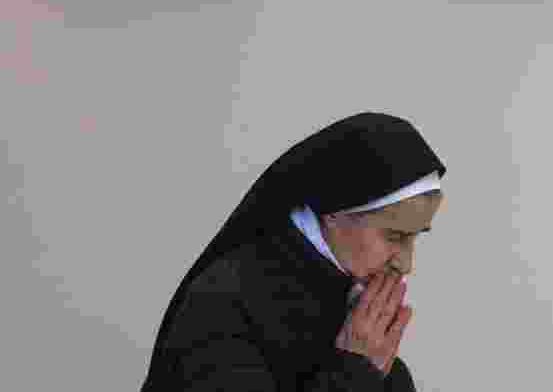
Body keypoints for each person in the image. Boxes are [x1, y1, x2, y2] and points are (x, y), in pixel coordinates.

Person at [139, 112, 447, 392]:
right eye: (395, 236)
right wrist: (357, 368)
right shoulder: (224, 299)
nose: (406, 264)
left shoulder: (350, 300)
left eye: (416, 237)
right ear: (334, 214)